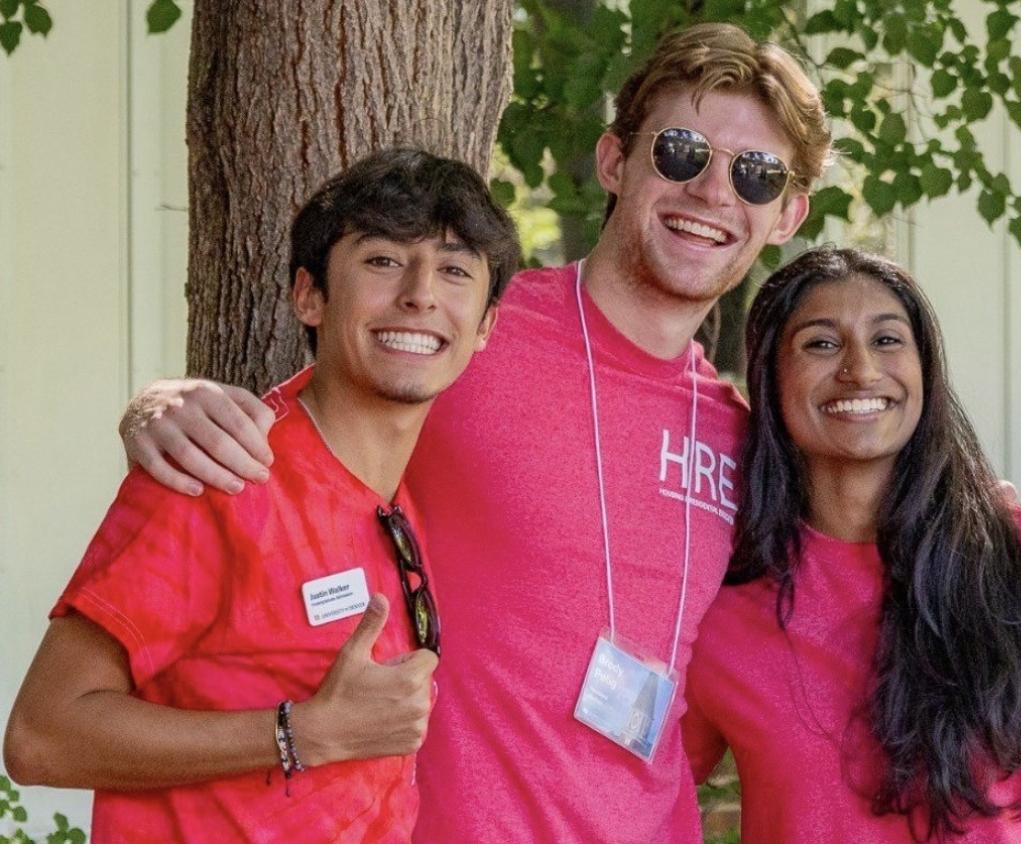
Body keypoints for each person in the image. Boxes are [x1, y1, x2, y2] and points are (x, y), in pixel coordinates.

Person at [113, 23, 833, 843]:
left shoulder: (747, 438)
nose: (712, 192)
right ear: (613, 162)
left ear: (786, 214)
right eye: (679, 151)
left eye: (757, 173)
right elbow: (300, 444)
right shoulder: (470, 330)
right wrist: (165, 402)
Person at [3, 148, 521, 843]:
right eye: (382, 260)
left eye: (455, 270)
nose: (421, 293)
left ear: (485, 325)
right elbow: (41, 736)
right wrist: (298, 733)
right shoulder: (221, 473)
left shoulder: (407, 495)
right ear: (308, 294)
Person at [681, 246, 1021, 843]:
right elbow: (633, 787)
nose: (860, 368)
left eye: (887, 340)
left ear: (925, 370)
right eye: (821, 344)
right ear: (771, 380)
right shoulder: (722, 599)